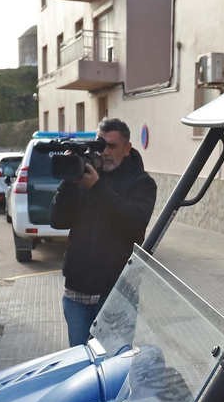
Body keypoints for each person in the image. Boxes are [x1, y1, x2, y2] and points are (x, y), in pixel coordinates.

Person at [50, 118, 158, 345]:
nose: (105, 152)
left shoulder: (142, 183)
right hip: (77, 293)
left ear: (127, 148)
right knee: (80, 364)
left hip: (117, 293)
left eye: (113, 146)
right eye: (101, 145)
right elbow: (58, 221)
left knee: (111, 366)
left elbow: (135, 221)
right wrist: (70, 180)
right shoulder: (83, 177)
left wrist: (98, 187)